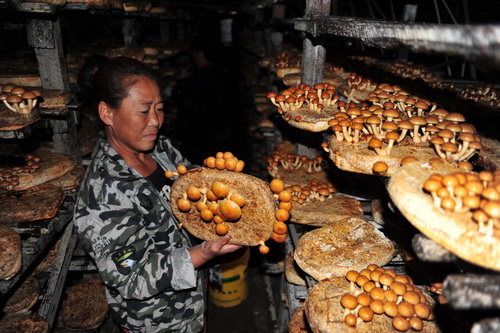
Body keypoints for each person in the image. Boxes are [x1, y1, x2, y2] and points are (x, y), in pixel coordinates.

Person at [74, 56, 241, 333]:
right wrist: (201, 253)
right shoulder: (102, 195)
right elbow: (131, 278)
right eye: (143, 111)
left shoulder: (160, 150)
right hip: (158, 319)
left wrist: (228, 186)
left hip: (193, 301)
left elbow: (192, 186)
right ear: (107, 114)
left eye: (160, 109)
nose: (155, 122)